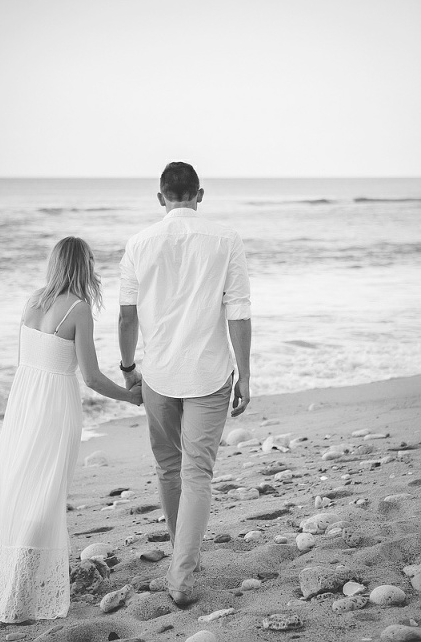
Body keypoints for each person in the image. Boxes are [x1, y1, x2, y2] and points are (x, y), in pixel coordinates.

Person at [0, 236, 142, 623]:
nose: (94, 267)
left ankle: (8, 584)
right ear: (80, 265)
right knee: (45, 494)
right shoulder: (78, 309)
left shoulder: (31, 301)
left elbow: (26, 362)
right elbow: (91, 378)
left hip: (23, 403)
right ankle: (19, 594)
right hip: (54, 406)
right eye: (90, 260)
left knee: (20, 487)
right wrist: (131, 397)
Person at [118, 162, 251, 606]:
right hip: (209, 372)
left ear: (161, 198)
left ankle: (182, 561)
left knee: (169, 469)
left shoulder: (139, 242)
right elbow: (239, 311)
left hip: (157, 373)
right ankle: (183, 569)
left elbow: (126, 314)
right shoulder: (226, 238)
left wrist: (127, 368)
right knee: (198, 473)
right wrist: (246, 373)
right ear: (199, 195)